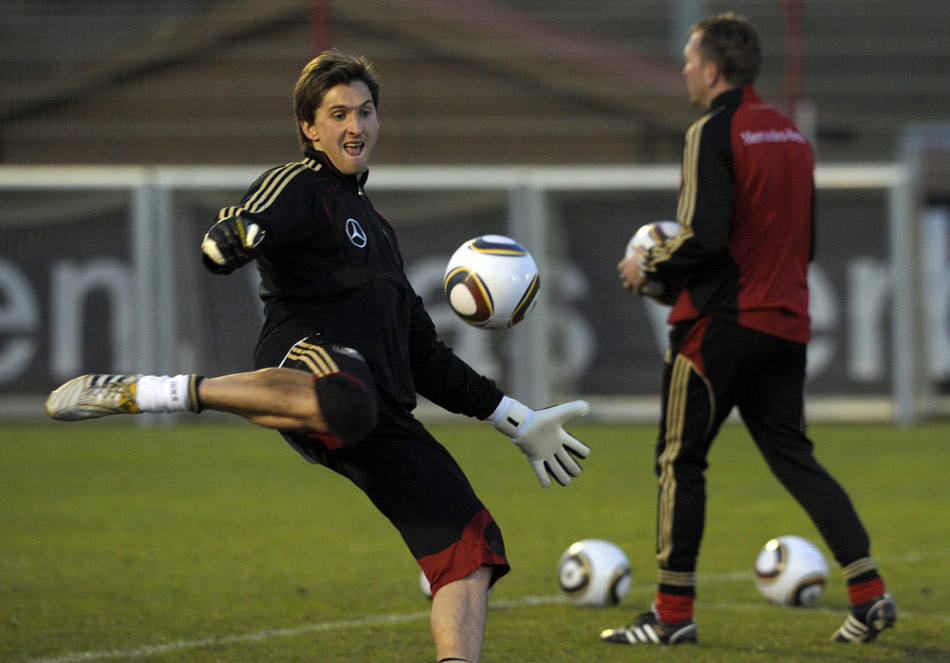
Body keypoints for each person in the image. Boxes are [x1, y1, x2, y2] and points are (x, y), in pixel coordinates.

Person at [45, 49, 591, 663]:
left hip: (375, 409)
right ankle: (147, 392)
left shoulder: (381, 233)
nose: (355, 125)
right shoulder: (301, 184)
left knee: (471, 547)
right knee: (347, 396)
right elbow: (245, 222)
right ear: (310, 127)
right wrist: (232, 236)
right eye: (338, 114)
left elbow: (425, 357)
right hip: (307, 360)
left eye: (365, 111)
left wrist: (516, 418)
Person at [604, 13, 896, 646]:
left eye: (690, 59)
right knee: (795, 458)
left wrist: (646, 266)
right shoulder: (792, 135)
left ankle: (672, 616)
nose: (684, 69)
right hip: (786, 323)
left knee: (680, 461)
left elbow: (704, 238)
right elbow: (805, 243)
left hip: (720, 326)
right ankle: (869, 591)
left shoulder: (711, 131)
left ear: (712, 70)